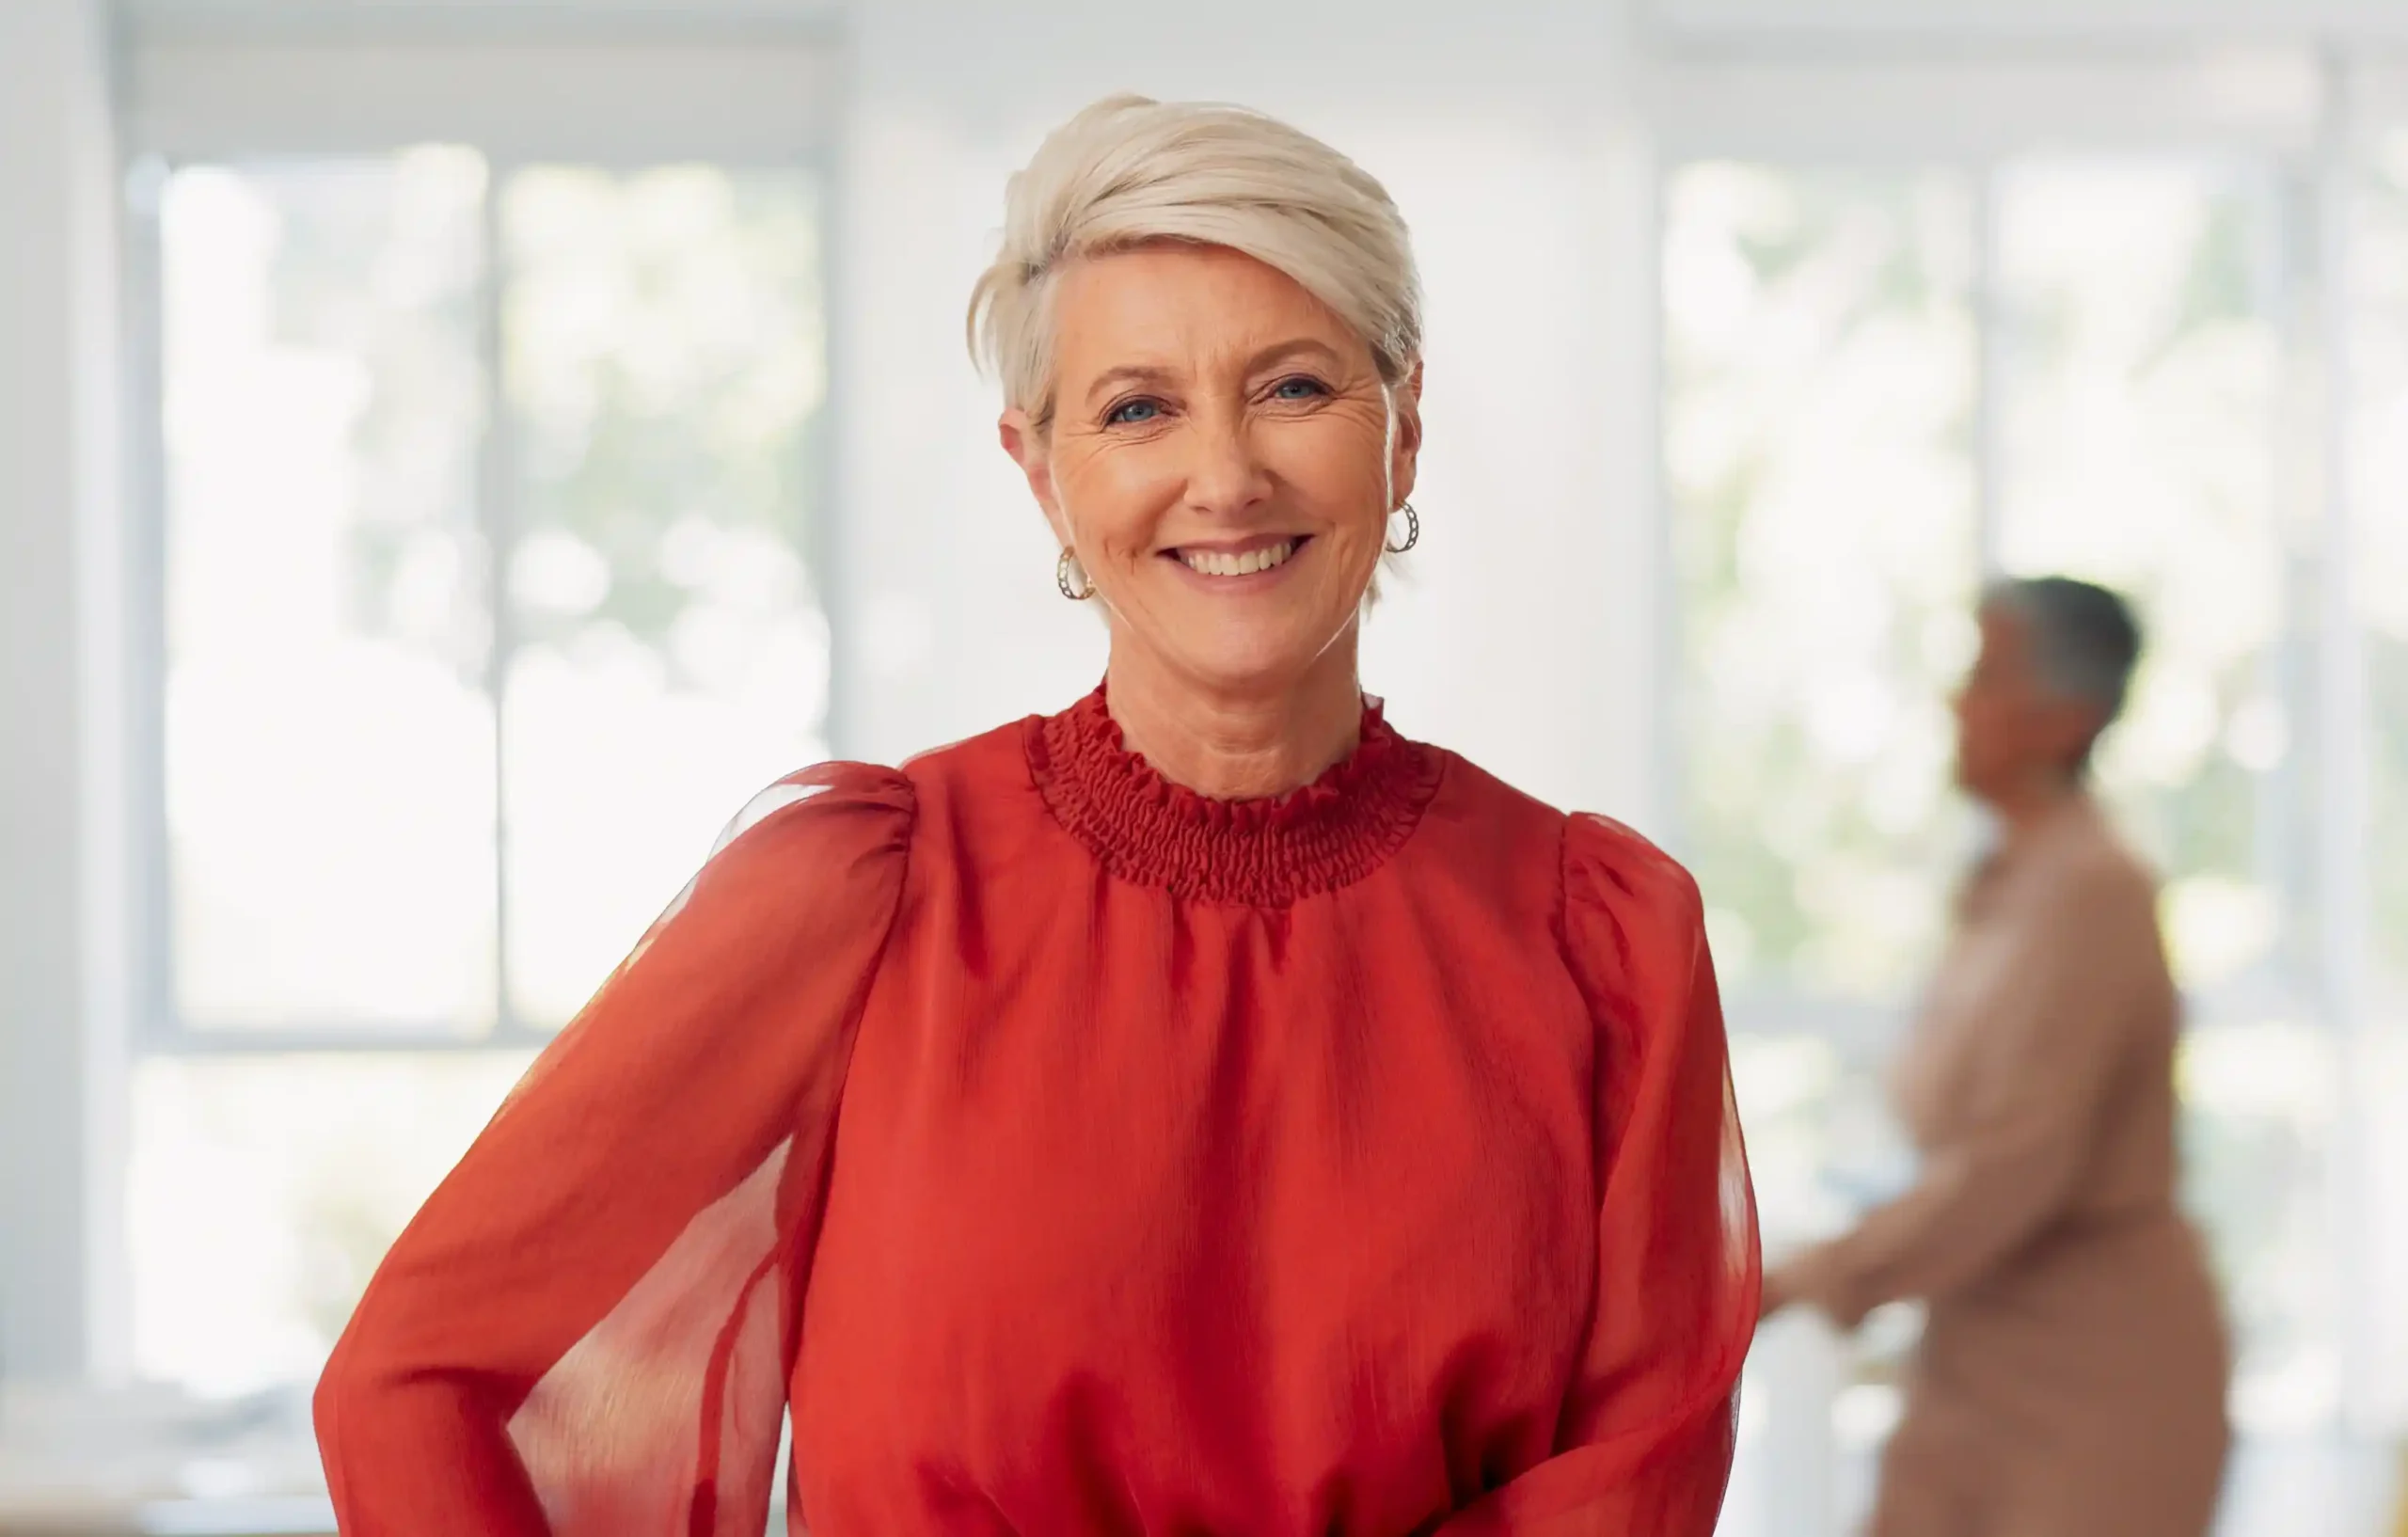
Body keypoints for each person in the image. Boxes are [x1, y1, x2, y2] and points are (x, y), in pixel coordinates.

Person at [312, 94, 1759, 1536]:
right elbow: (419, 1378)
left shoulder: (1600, 943)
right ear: (1043, 472)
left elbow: (1634, 1488)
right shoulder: (860, 893)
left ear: (1407, 428)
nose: (1226, 476)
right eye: (1139, 408)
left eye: (1296, 387)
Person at [1761, 577, 2230, 1537]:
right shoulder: (2008, 883)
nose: (1955, 702)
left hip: (2099, 1378)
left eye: (1984, 674)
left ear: (2067, 718)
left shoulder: (2093, 891)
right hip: (1978, 1360)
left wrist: (1798, 1276)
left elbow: (2014, 1165)